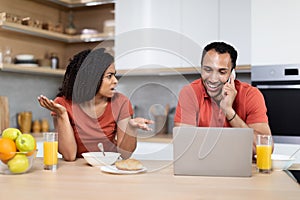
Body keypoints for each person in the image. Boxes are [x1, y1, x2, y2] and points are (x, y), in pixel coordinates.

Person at [38, 48, 153, 161]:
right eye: (109, 76)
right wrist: (62, 114)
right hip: (76, 171)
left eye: (114, 75)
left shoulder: (121, 102)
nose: (115, 81)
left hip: (108, 167)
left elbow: (125, 155)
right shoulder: (62, 104)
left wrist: (131, 128)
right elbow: (69, 155)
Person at [174, 41, 272, 154]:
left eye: (222, 72)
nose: (213, 79)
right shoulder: (189, 93)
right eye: (207, 70)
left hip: (242, 169)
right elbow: (183, 146)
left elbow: (264, 149)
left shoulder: (251, 95)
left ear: (232, 73)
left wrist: (229, 111)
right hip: (201, 166)